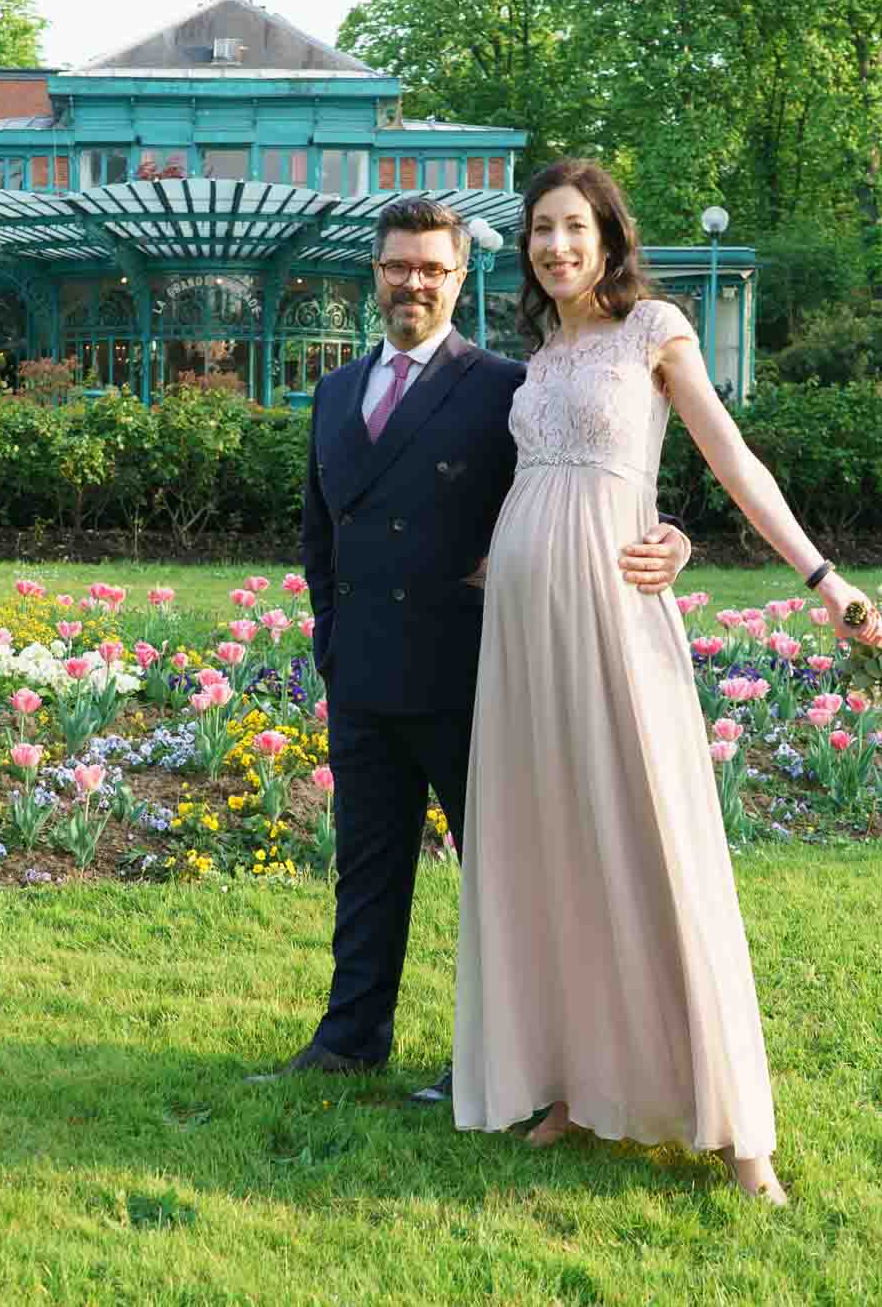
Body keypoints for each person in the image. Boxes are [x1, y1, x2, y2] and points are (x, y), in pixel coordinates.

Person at [451, 159, 882, 1206]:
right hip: (521, 629)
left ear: (606, 235)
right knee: (550, 846)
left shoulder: (655, 330)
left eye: (572, 227)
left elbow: (729, 456)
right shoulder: (544, 351)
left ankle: (742, 1138)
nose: (555, 246)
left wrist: (821, 579)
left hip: (613, 614)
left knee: (657, 840)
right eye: (539, 230)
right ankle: (570, 1085)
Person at [254, 195, 694, 1099]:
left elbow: (591, 473)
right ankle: (350, 1036)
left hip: (476, 673)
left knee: (502, 880)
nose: (411, 281)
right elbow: (318, 534)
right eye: (396, 266)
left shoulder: (503, 385)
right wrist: (330, 639)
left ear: (461, 277)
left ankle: (497, 1057)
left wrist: (673, 537)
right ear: (373, 275)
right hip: (365, 670)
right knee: (366, 867)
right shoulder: (336, 391)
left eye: (430, 267)